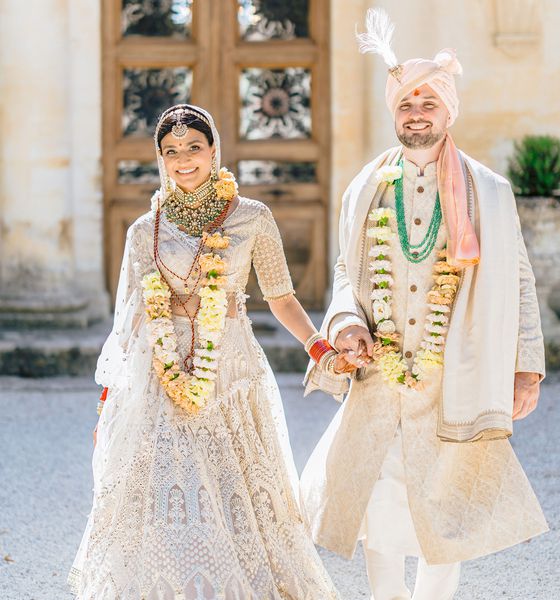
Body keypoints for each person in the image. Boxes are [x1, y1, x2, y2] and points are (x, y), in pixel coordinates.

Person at [299, 9, 548, 600]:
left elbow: (518, 277)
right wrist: (345, 322)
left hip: (454, 377)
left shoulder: (489, 190)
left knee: (446, 512)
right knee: (380, 507)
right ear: (395, 111)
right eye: (406, 104)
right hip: (382, 380)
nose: (416, 114)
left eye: (428, 104)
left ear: (447, 111)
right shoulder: (366, 186)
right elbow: (345, 271)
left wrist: (527, 363)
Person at [69, 104, 341, 600]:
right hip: (160, 369)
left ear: (214, 150)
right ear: (160, 160)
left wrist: (317, 345)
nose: (183, 159)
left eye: (193, 147)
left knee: (232, 487)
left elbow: (281, 296)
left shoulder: (253, 217)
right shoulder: (142, 231)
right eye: (170, 152)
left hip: (230, 369)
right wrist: (108, 402)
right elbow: (128, 321)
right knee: (169, 487)